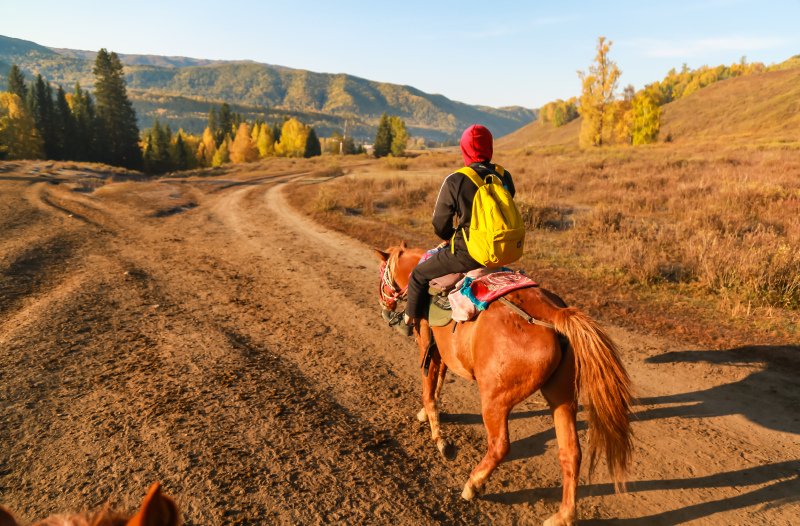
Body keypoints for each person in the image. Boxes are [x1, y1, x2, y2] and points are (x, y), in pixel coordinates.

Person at [401, 124, 515, 332]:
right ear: (489, 147)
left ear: (464, 149)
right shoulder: (503, 175)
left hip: (468, 254)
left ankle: (409, 322)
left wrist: (450, 237)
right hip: (503, 251)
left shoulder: (456, 179)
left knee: (418, 274)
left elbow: (440, 225)